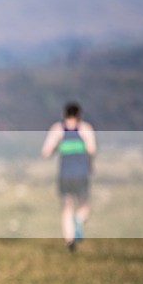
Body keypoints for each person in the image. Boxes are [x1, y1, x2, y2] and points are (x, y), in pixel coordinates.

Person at [41, 102, 96, 251]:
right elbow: (91, 150)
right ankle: (78, 219)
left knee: (66, 207)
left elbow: (46, 151)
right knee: (84, 205)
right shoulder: (85, 129)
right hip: (81, 173)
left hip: (64, 174)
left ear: (64, 113)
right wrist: (90, 165)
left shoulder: (58, 129)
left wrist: (59, 147)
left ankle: (69, 240)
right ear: (79, 113)